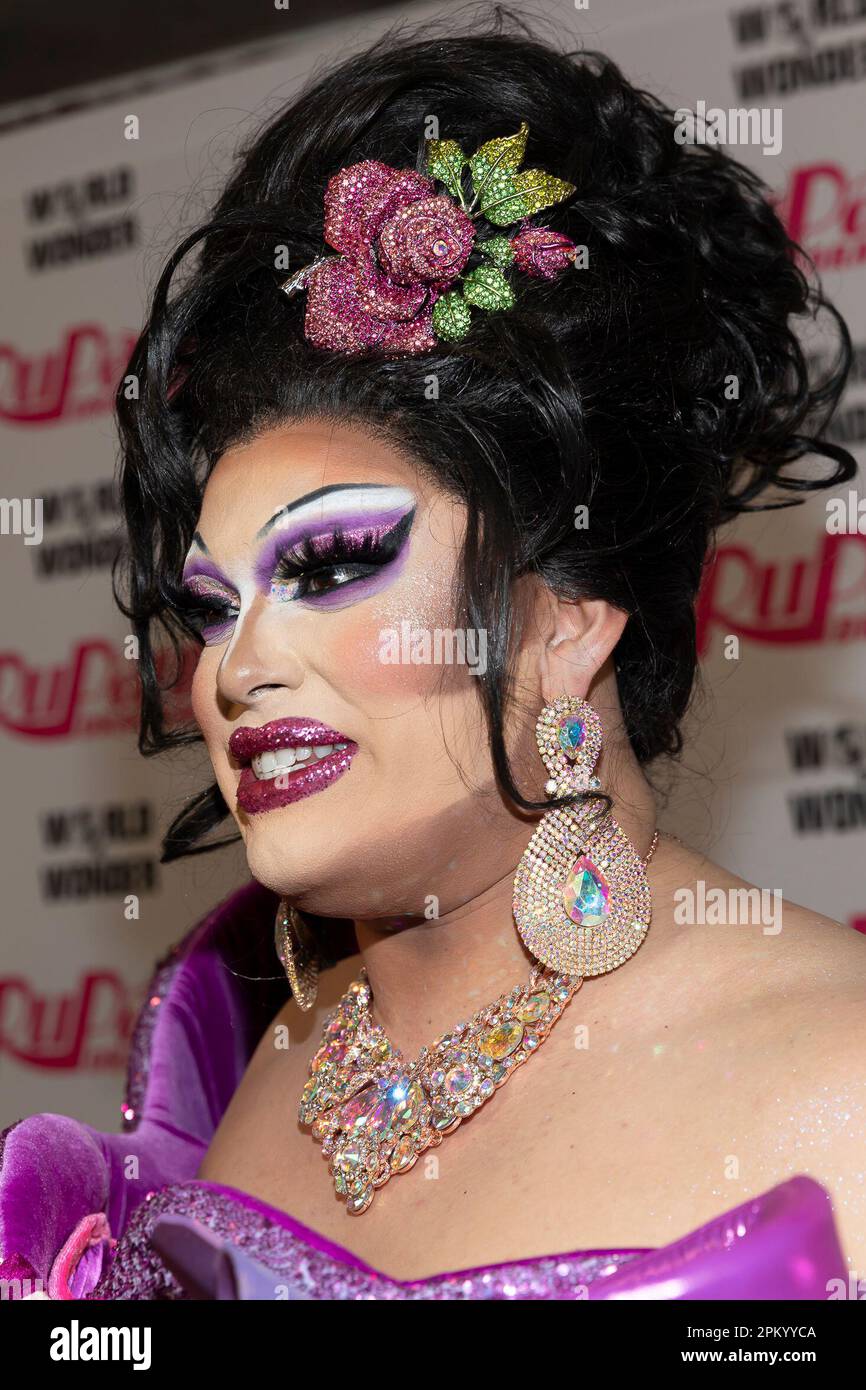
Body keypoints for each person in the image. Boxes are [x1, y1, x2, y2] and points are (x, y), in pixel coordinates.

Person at [2, 14, 864, 1301]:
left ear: (566, 618)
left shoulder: (836, 1081)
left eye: (332, 562)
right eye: (213, 604)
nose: (237, 669)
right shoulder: (245, 1087)